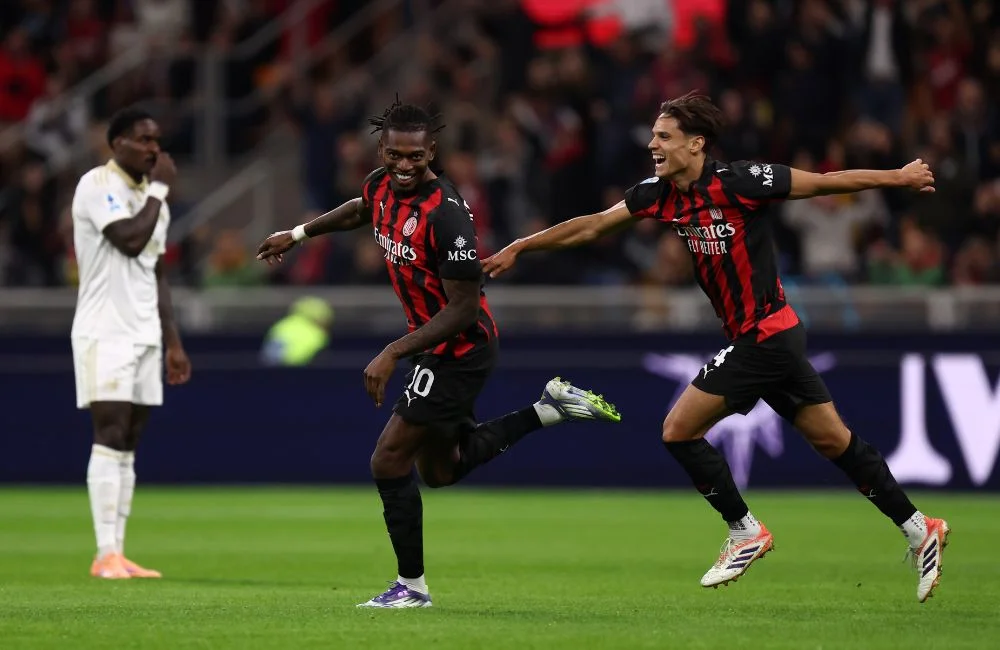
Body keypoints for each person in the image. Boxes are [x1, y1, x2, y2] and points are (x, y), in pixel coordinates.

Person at [483, 92, 948, 603]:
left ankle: (744, 530)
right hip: (770, 339)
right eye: (653, 135)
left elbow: (824, 184)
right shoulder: (657, 194)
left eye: (664, 136)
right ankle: (918, 526)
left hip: (766, 335)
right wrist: (520, 246)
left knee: (678, 430)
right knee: (834, 443)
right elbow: (592, 224)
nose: (652, 144)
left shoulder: (742, 182)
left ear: (696, 144)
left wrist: (899, 176)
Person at [256, 99, 621, 608]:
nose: (405, 167)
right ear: (383, 150)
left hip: (459, 349)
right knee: (442, 469)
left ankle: (412, 588)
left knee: (388, 460)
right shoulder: (381, 185)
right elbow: (361, 208)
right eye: (395, 156)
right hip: (434, 344)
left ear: (432, 151)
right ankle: (550, 409)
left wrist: (394, 351)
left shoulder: (447, 216)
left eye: (415, 157)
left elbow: (464, 310)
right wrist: (298, 234)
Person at [71, 107, 192, 579]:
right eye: (143, 140)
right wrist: (161, 191)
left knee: (130, 442)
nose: (153, 149)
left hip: (144, 332)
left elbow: (155, 270)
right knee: (111, 433)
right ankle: (104, 553)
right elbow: (127, 239)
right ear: (116, 142)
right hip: (105, 328)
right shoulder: (98, 185)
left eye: (157, 140)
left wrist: (173, 341)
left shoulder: (147, 198)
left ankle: (117, 552)